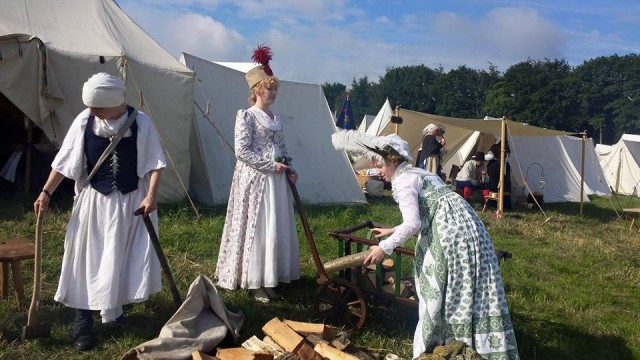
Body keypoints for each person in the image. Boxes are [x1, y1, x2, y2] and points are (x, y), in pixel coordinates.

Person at [331, 130, 519, 359]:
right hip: (470, 230)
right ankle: (477, 341)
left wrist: (383, 247)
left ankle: (439, 344)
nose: (378, 172)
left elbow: (412, 224)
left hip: (450, 237)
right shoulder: (419, 172)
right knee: (466, 284)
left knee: (438, 288)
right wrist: (392, 230)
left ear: (391, 161)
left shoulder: (403, 181)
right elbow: (430, 211)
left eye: (379, 166)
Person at [33, 72, 166, 351]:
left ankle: (113, 313)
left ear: (115, 102)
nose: (92, 110)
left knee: (120, 257)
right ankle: (83, 322)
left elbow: (155, 163)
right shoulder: (85, 121)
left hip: (131, 202)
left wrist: (151, 196)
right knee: (86, 260)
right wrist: (46, 191)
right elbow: (65, 162)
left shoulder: (140, 122)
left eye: (98, 106)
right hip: (95, 203)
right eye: (91, 105)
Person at [215, 45, 300, 303]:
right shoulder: (247, 116)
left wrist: (289, 168)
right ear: (257, 90)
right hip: (255, 179)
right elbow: (241, 150)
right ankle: (255, 283)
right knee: (259, 225)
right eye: (269, 88)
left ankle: (270, 276)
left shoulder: (277, 117)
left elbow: (282, 148)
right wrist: (268, 166)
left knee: (275, 225)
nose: (274, 92)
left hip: (276, 179)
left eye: (276, 88)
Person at [485, 142, 513, 210]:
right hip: (504, 165)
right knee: (504, 184)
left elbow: (489, 157)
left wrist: (484, 156)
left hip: (496, 166)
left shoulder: (494, 147)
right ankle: (504, 205)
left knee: (495, 184)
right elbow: (507, 157)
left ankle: (494, 204)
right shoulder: (506, 148)